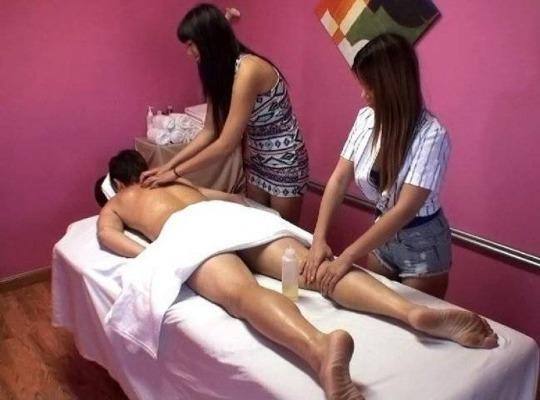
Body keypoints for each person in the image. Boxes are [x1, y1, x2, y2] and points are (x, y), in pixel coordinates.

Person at [98, 150, 497, 399]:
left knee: (243, 296)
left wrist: (152, 251)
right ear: (144, 167)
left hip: (187, 232)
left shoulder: (118, 201)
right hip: (225, 216)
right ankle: (411, 312)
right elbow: (234, 199)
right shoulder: (177, 181)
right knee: (314, 269)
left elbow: (107, 236)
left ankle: (320, 349)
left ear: (117, 184)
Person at [306, 33, 453, 298]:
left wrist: (347, 256)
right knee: (373, 309)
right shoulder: (366, 118)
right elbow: (339, 179)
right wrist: (319, 238)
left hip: (422, 243)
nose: (364, 95)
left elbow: (405, 209)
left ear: (392, 86)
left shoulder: (432, 135)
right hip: (381, 234)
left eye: (370, 87)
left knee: (409, 318)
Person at [140, 3, 309, 224]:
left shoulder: (248, 70)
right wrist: (167, 166)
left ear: (208, 39)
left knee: (283, 230)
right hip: (257, 157)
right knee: (257, 225)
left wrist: (176, 173)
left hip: (286, 158)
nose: (188, 53)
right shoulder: (219, 72)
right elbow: (209, 131)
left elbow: (226, 143)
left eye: (191, 45)